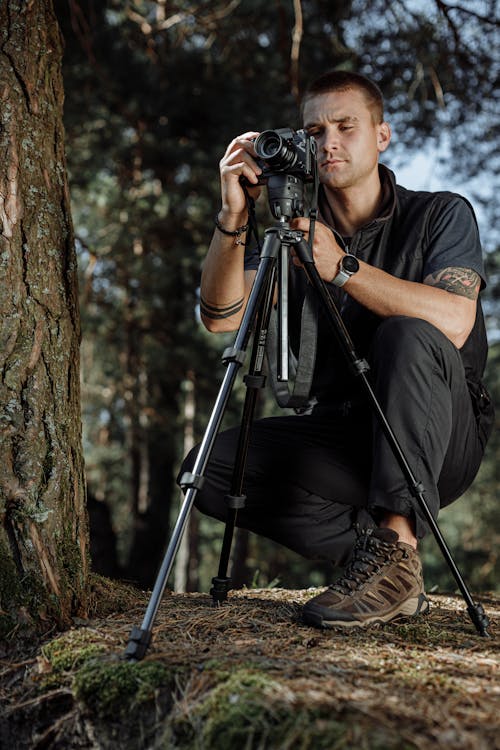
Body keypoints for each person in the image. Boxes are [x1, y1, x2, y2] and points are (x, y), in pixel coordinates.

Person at [179, 70, 494, 628]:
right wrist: (233, 214)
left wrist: (343, 269)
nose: (329, 143)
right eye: (314, 130)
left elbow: (453, 318)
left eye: (346, 126)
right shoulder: (295, 230)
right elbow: (219, 316)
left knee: (409, 330)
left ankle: (397, 550)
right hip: (344, 436)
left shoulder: (439, 213)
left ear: (382, 135)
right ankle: (377, 564)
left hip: (441, 435)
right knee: (211, 469)